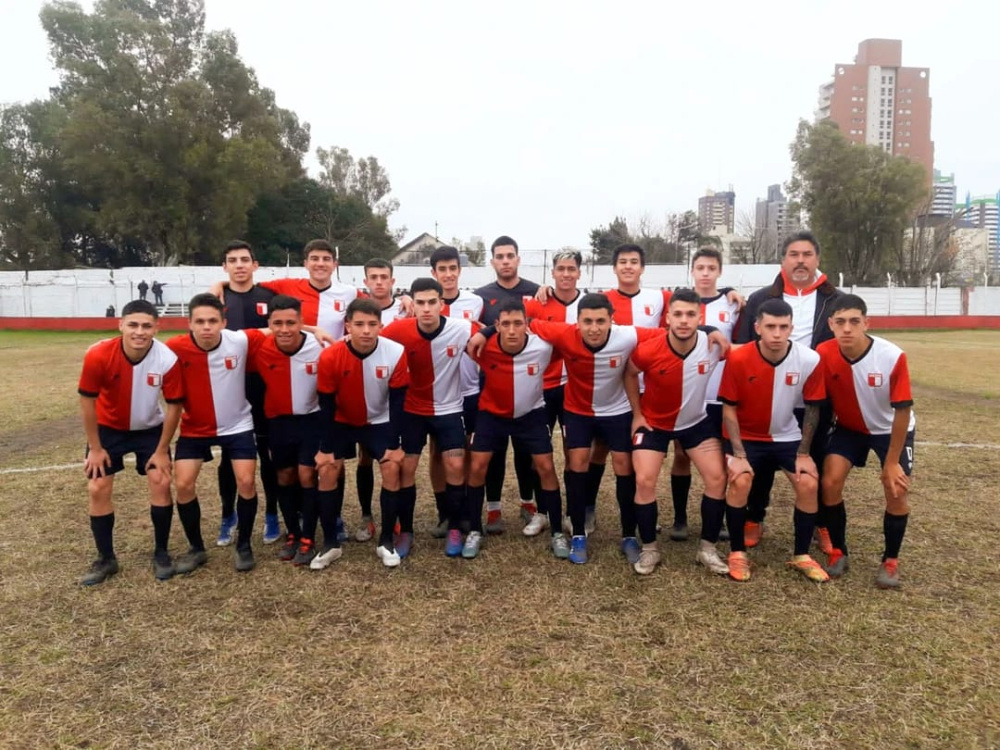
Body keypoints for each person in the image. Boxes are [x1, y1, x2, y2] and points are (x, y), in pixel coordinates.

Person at [473, 293, 661, 565]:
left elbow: (669, 334)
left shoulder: (628, 335)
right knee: (577, 464)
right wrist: (487, 331)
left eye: (600, 321)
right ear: (577, 321)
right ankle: (578, 534)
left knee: (623, 465)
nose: (594, 328)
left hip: (616, 410)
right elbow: (528, 321)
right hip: (578, 410)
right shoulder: (563, 333)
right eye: (587, 321)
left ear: (612, 320)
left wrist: (709, 330)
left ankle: (629, 535)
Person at [735, 231, 842, 550]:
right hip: (769, 393)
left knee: (815, 459)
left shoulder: (835, 300)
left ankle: (820, 522)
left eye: (807, 254)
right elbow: (744, 345)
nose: (800, 261)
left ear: (817, 259)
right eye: (794, 254)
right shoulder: (761, 298)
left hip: (815, 396)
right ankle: (754, 516)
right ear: (783, 260)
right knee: (762, 460)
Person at [718, 298, 830, 583]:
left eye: (783, 327)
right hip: (745, 437)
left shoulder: (809, 359)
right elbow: (728, 408)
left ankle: (801, 555)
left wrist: (803, 454)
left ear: (792, 328)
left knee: (808, 483)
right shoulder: (738, 358)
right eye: (770, 326)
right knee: (741, 480)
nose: (777, 333)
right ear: (758, 327)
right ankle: (737, 552)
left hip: (786, 436)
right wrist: (739, 454)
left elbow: (813, 408)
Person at [77, 300, 184, 585]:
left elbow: (174, 406)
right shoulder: (99, 354)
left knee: (161, 481)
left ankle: (161, 552)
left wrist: (162, 450)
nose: (139, 331)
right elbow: (87, 402)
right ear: (121, 325)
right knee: (98, 486)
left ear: (156, 328)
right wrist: (95, 448)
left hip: (149, 430)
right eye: (133, 325)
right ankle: (106, 558)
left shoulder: (167, 359)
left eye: (147, 326)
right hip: (108, 430)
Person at [625, 288, 728, 576]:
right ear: (668, 317)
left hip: (695, 422)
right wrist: (637, 414)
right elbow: (630, 373)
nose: (684, 320)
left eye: (690, 314)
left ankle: (707, 549)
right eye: (678, 314)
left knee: (717, 478)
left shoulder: (714, 346)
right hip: (654, 424)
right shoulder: (649, 349)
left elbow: (746, 355)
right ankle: (649, 549)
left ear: (700, 317)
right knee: (644, 480)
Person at [816, 294, 915, 589]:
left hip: (889, 430)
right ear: (831, 324)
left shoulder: (892, 355)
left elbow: (902, 411)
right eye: (840, 322)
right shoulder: (823, 353)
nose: (847, 328)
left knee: (895, 489)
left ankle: (890, 560)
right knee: (829, 482)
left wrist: (892, 462)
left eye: (854, 321)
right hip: (850, 429)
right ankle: (838, 551)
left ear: (866, 323)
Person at [165, 293, 266, 573]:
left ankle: (244, 545)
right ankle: (196, 548)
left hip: (238, 425)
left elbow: (276, 328)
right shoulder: (173, 348)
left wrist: (315, 329)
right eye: (200, 321)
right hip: (195, 428)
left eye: (212, 321)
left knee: (246, 482)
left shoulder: (239, 340)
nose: (206, 327)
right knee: (183, 485)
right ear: (190, 323)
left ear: (223, 322)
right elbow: (145, 348)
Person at [382, 278, 479, 558]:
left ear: (442, 304)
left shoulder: (461, 328)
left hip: (449, 409)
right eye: (420, 302)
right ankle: (406, 531)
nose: (426, 308)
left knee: (456, 464)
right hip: (412, 411)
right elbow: (373, 342)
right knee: (406, 467)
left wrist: (486, 334)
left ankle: (454, 527)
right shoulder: (398, 329)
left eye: (432, 302)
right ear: (413, 304)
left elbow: (490, 333)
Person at [467, 299, 568, 559]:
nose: (512, 330)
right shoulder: (483, 345)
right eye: (505, 324)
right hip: (491, 415)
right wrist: (485, 332)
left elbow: (567, 338)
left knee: (546, 467)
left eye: (518, 324)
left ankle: (557, 532)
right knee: (477, 466)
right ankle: (474, 530)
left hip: (530, 415)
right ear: (497, 325)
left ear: (527, 325)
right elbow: (462, 328)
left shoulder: (542, 346)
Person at [317, 299, 410, 567]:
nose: (366, 330)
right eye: (359, 324)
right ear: (348, 326)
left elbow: (398, 402)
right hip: (341, 421)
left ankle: (386, 541)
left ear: (381, 325)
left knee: (391, 466)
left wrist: (395, 444)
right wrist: (325, 448)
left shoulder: (395, 352)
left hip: (378, 421)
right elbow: (326, 405)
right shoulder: (331, 355)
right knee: (328, 469)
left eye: (372, 324)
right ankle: (330, 544)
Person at [245, 295, 334, 569]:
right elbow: (225, 338)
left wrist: (314, 330)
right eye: (278, 323)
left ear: (301, 322)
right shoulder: (258, 346)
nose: (284, 329)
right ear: (269, 324)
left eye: (291, 323)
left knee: (307, 474)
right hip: (278, 422)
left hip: (311, 421)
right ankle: (293, 532)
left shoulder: (320, 346)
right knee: (284, 475)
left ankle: (308, 537)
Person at [668, 247, 741, 542]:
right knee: (681, 454)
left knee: (720, 458)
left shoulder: (733, 303)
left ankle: (718, 517)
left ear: (720, 271)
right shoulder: (679, 301)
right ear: (692, 270)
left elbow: (739, 344)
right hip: (687, 392)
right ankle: (680, 519)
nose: (706, 273)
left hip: (719, 394)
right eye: (700, 268)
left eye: (712, 268)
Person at [215, 240, 281, 548]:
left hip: (264, 384)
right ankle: (228, 515)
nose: (239, 265)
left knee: (268, 454)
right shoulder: (217, 298)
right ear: (225, 266)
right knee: (230, 455)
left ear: (255, 265)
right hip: (228, 385)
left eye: (244, 259)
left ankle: (272, 513)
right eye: (233, 260)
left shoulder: (269, 297)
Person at [474, 236, 541, 534]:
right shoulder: (480, 296)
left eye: (509, 255)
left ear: (518, 259)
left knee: (526, 451)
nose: (505, 261)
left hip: (527, 384)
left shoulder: (536, 292)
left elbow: (542, 328)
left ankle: (528, 503)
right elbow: (473, 330)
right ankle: (493, 508)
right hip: (493, 384)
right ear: (492, 261)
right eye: (499, 256)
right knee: (495, 452)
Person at [523, 250, 584, 537]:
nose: (566, 274)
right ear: (553, 272)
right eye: (561, 268)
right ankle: (543, 512)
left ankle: (572, 513)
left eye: (572, 268)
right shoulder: (537, 303)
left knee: (574, 454)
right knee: (539, 453)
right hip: (541, 389)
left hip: (575, 389)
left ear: (579, 273)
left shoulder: (587, 304)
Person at [429, 246, 484, 537]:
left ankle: (466, 511)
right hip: (438, 394)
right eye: (442, 269)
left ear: (459, 271)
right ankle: (445, 512)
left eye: (453, 268)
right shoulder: (424, 303)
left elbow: (487, 330)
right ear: (433, 273)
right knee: (438, 453)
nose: (448, 274)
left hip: (470, 389)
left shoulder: (475, 302)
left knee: (468, 451)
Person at [351, 257, 407, 543]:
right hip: (362, 393)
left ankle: (392, 517)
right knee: (364, 458)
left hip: (394, 391)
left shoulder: (405, 309)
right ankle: (366, 516)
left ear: (392, 281)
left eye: (384, 277)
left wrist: (409, 299)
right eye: (373, 277)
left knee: (392, 459)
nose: (379, 282)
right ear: (366, 281)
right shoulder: (355, 308)